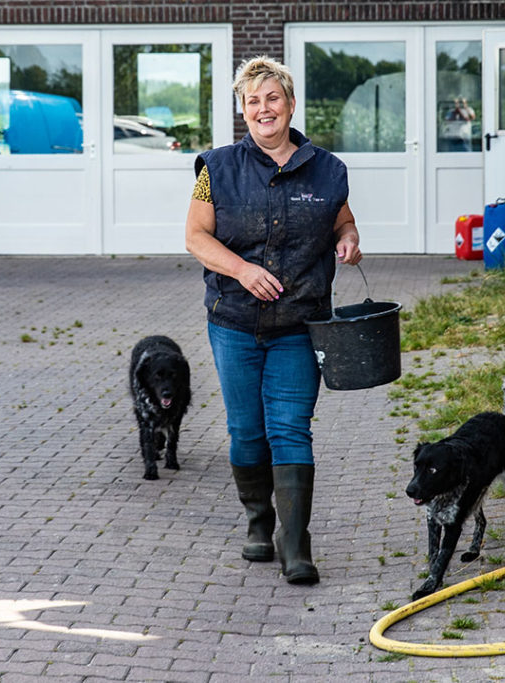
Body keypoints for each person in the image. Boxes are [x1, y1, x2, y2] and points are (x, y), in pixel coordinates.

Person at [184, 56, 362, 585]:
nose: (264, 109)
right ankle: (259, 523)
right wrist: (241, 270)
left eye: (272, 98)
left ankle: (296, 541)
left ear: (289, 104)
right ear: (243, 110)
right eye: (252, 101)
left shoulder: (328, 170)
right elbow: (196, 237)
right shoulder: (214, 170)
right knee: (246, 431)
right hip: (234, 321)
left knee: (289, 428)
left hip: (299, 324)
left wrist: (348, 238)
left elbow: (343, 219)